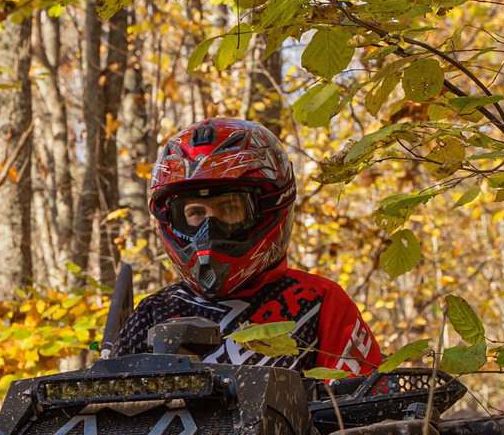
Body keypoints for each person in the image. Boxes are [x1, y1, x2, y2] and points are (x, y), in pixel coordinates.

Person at [107, 118, 385, 378]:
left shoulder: (318, 301)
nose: (209, 229)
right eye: (194, 213)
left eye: (230, 208)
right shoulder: (155, 311)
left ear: (269, 209)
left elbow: (363, 405)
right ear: (173, 220)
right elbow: (110, 411)